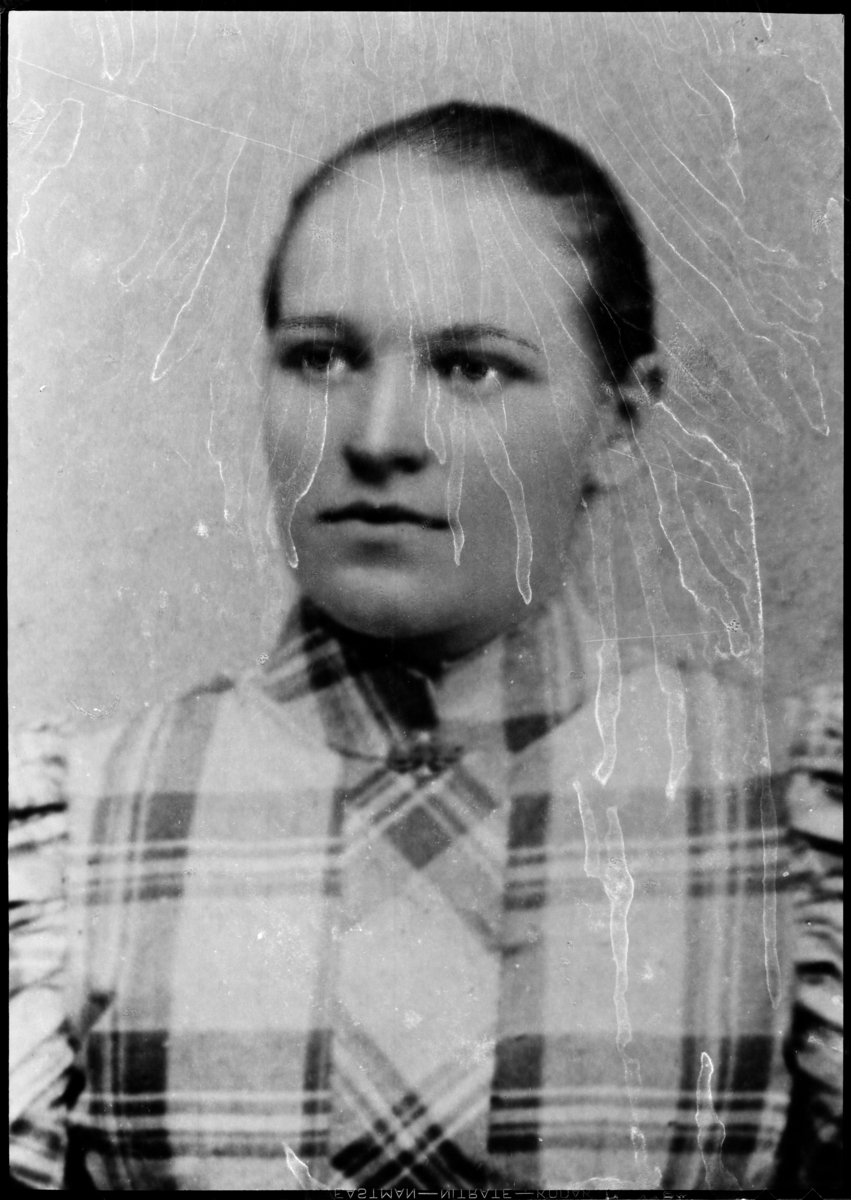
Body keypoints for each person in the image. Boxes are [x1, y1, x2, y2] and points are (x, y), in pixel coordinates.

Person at [8, 102, 841, 1191]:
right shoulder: (75, 836)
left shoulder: (781, 817)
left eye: (470, 368)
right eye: (319, 359)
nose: (377, 437)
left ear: (620, 422)